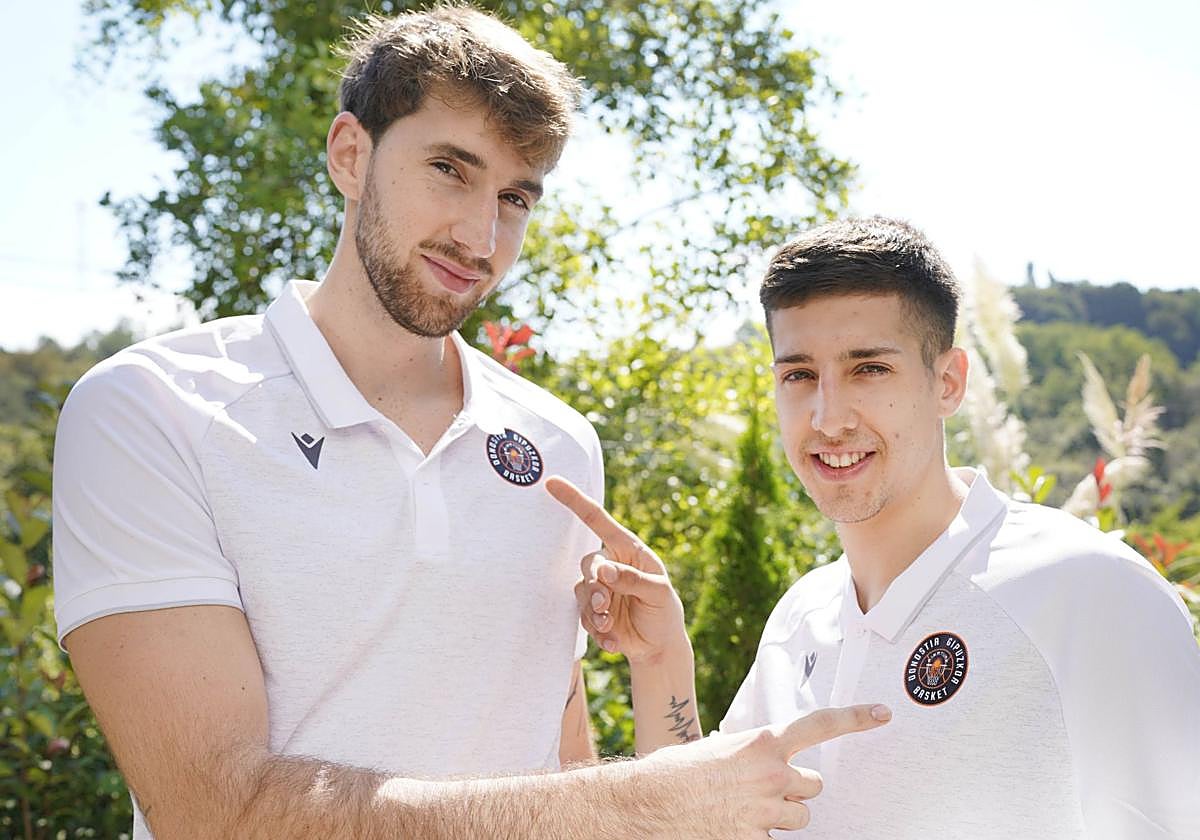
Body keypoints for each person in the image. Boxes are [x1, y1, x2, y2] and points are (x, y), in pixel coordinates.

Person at [51, 5, 889, 837]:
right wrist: (647, 798)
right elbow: (215, 811)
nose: (481, 235)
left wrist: (662, 682)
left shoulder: (557, 444)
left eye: (516, 197)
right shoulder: (150, 410)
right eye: (451, 169)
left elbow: (563, 781)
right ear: (351, 154)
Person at [560, 216, 1200, 839]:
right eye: (799, 375)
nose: (828, 417)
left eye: (869, 369)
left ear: (948, 382)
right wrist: (660, 660)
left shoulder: (1089, 590)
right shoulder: (798, 619)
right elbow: (698, 825)